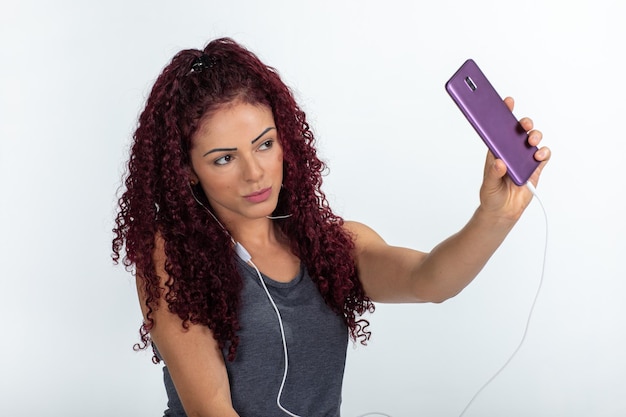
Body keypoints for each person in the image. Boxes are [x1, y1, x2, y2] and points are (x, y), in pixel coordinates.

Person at [112, 38, 550, 417]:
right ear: (186, 170)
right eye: (224, 158)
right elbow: (212, 411)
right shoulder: (171, 257)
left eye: (265, 144)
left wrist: (495, 216)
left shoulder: (328, 243)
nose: (255, 173)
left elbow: (429, 280)